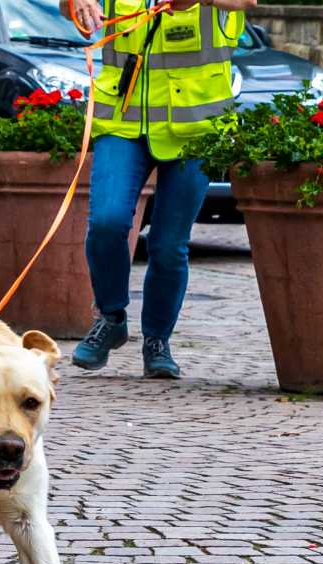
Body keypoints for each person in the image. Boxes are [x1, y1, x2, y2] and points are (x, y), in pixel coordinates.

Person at [62, 0, 257, 378]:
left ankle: (157, 340)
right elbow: (70, 9)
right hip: (123, 123)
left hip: (196, 129)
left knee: (168, 244)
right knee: (107, 221)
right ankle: (112, 317)